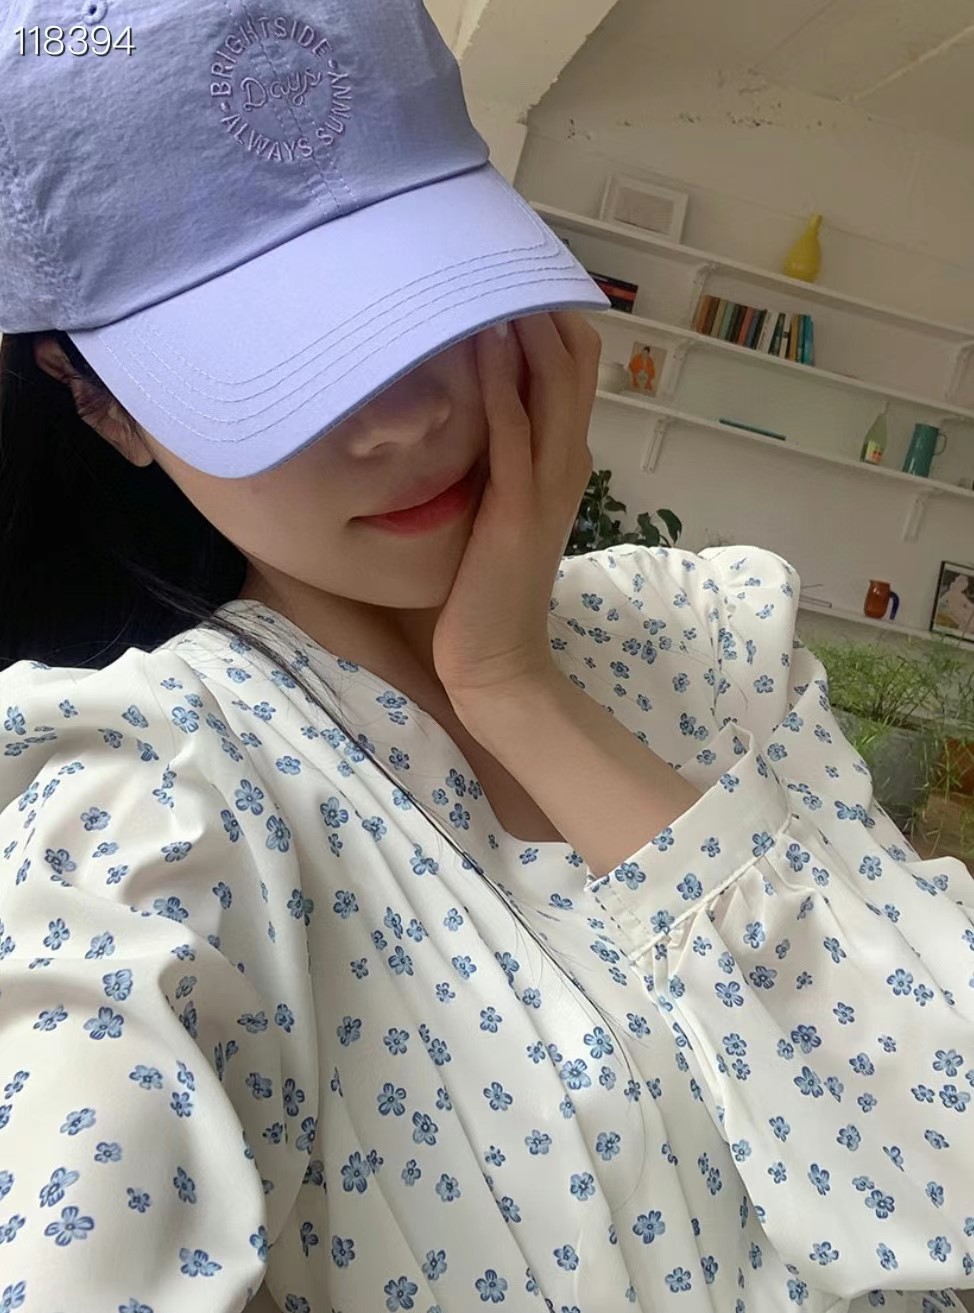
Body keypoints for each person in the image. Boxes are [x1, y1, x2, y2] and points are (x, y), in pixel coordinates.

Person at [0, 3, 972, 1312]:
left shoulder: (705, 642)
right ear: (102, 403)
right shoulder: (145, 805)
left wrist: (523, 691)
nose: (408, 416)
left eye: (425, 293)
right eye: (271, 357)